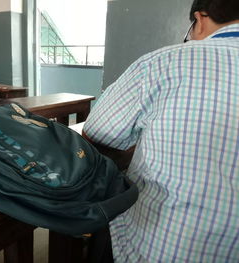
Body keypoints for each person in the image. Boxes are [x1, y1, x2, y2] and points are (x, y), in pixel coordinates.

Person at [83, 0, 239, 262]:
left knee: (109, 215)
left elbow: (98, 132)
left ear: (200, 19)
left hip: (162, 245)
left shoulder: (164, 62)